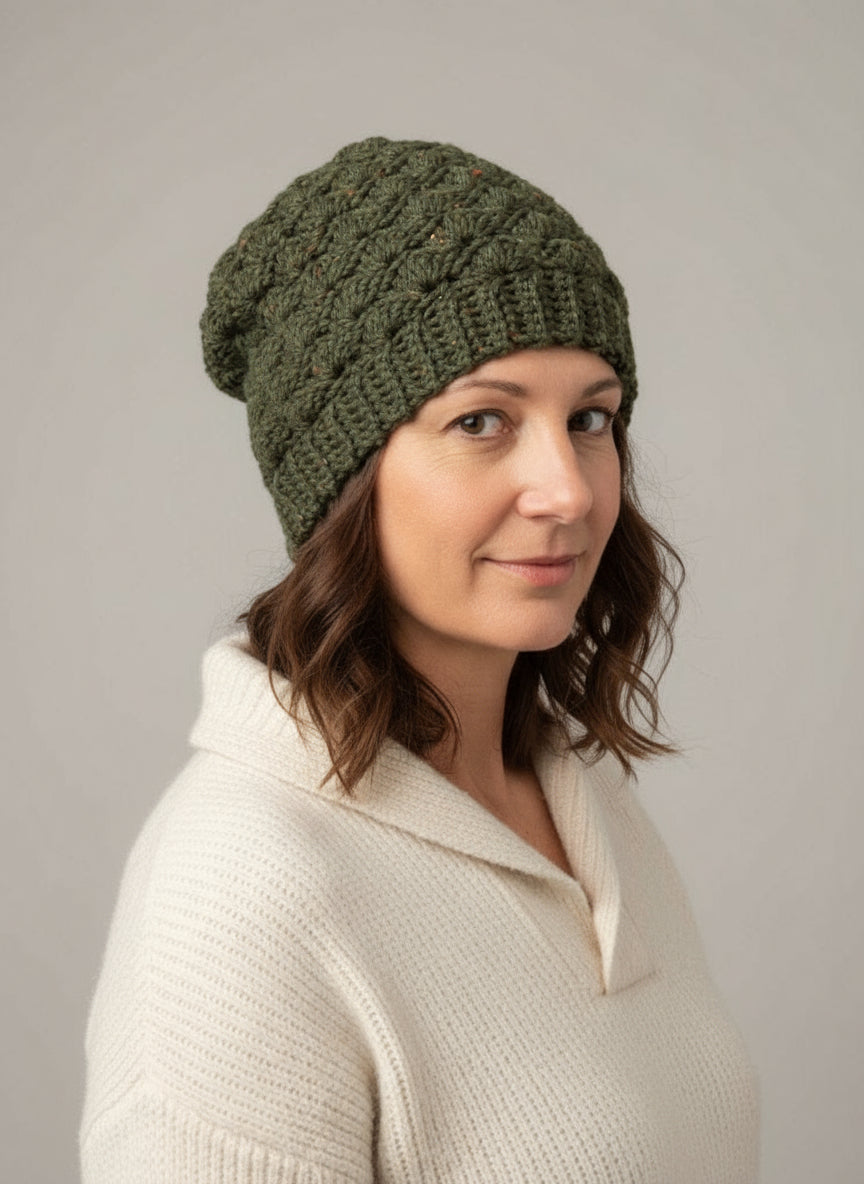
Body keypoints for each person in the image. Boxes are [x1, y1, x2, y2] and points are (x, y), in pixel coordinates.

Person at [80, 137, 760, 1182]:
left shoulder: (590, 802)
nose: (569, 489)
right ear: (343, 481)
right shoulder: (237, 892)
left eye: (590, 418)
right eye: (482, 420)